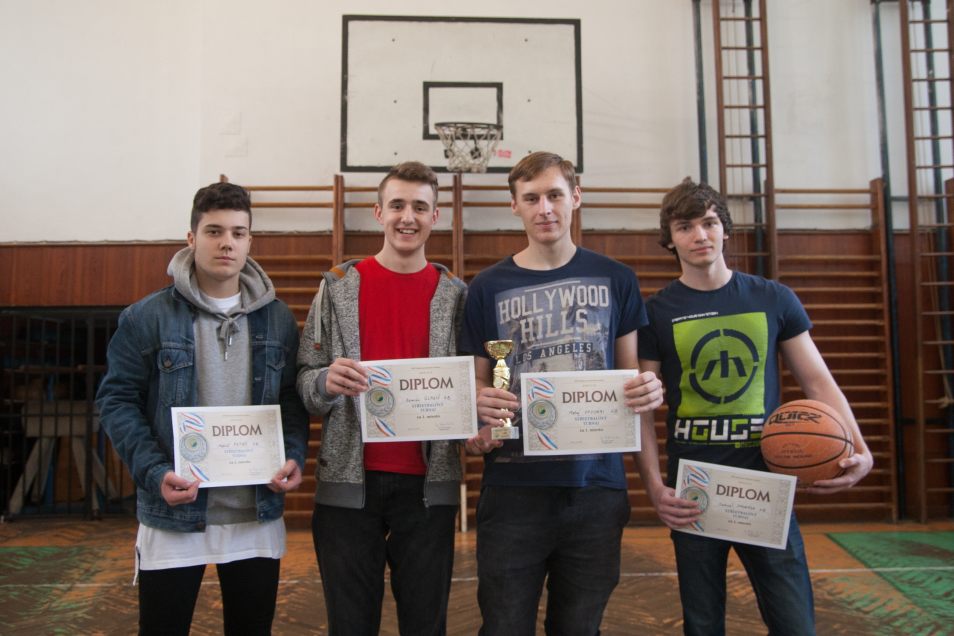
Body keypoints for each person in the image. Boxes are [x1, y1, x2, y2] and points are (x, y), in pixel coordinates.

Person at [635, 177, 874, 635]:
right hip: (694, 490)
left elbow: (818, 383)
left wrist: (861, 450)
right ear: (670, 239)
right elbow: (641, 408)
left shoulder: (772, 298)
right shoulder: (656, 312)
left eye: (709, 223)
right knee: (703, 626)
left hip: (764, 485)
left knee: (794, 624)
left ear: (725, 229)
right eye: (685, 227)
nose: (699, 235)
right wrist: (653, 486)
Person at [458, 151, 664, 635]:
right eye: (531, 198)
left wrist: (647, 389)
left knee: (579, 627)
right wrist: (479, 408)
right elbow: (478, 381)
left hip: (596, 487)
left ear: (576, 197)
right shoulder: (486, 287)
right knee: (504, 627)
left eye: (554, 195)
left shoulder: (617, 278)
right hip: (513, 488)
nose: (544, 208)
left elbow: (629, 379)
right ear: (515, 205)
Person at [95, 181, 309, 635]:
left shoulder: (277, 318)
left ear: (249, 241)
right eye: (214, 231)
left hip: (254, 511)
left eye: (237, 233)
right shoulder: (146, 317)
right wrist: (155, 472)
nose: (226, 242)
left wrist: (292, 454)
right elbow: (116, 401)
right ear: (192, 238)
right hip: (174, 513)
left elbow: (290, 400)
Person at [296, 161, 467, 636]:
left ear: (436, 216)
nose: (407, 217)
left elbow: (471, 386)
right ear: (378, 212)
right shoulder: (336, 287)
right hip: (348, 486)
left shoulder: (457, 296)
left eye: (420, 207)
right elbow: (304, 382)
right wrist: (325, 382)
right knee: (350, 626)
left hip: (428, 490)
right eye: (397, 205)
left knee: (425, 625)